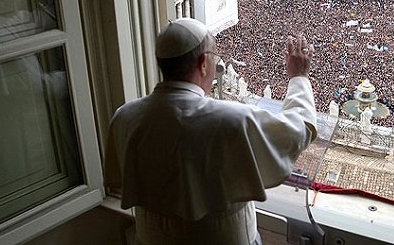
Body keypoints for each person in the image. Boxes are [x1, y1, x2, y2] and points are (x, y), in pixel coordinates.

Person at [105, 18, 317, 244]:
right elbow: (298, 129)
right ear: (203, 63)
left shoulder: (124, 117)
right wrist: (299, 78)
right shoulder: (233, 120)